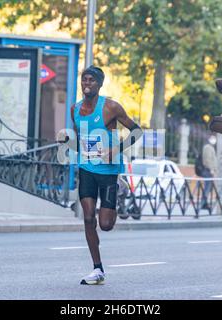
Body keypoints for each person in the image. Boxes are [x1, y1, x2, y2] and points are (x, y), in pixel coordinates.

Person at [70, 66, 142, 285]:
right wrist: (67, 142)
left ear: (99, 85)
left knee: (106, 224)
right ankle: (97, 268)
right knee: (88, 218)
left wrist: (116, 150)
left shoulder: (111, 107)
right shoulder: (75, 109)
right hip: (86, 169)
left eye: (91, 80)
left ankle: (117, 192)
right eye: (84, 80)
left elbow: (137, 131)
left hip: (109, 171)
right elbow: (79, 138)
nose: (87, 84)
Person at [200, 135, 217, 213]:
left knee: (208, 188)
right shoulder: (207, 147)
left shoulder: (211, 147)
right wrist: (211, 170)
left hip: (210, 170)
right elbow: (207, 160)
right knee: (207, 188)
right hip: (208, 171)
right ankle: (202, 204)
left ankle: (204, 203)